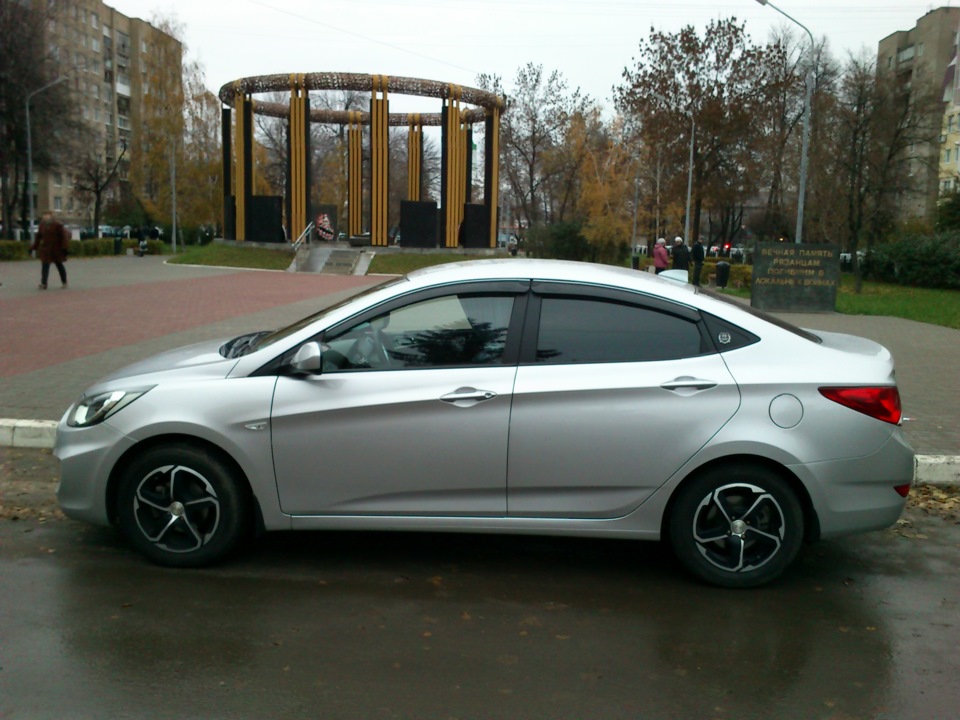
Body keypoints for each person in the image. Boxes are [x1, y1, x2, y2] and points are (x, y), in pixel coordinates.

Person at [31, 210, 71, 289]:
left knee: (59, 265)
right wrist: (33, 247)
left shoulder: (57, 225)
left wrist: (65, 248)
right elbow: (38, 237)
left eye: (47, 215)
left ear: (51, 216)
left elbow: (63, 237)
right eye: (44, 215)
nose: (45, 217)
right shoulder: (42, 225)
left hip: (56, 249)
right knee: (45, 266)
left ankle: (64, 282)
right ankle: (44, 283)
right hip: (46, 249)